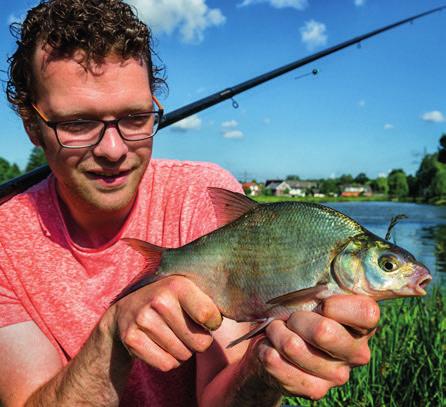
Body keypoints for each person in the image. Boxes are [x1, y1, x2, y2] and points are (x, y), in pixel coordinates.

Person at [0, 1, 380, 406]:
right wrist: (112, 336)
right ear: (32, 127)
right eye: (77, 123)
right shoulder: (6, 242)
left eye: (135, 117)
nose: (113, 149)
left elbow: (218, 396)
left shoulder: (200, 195)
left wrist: (263, 366)